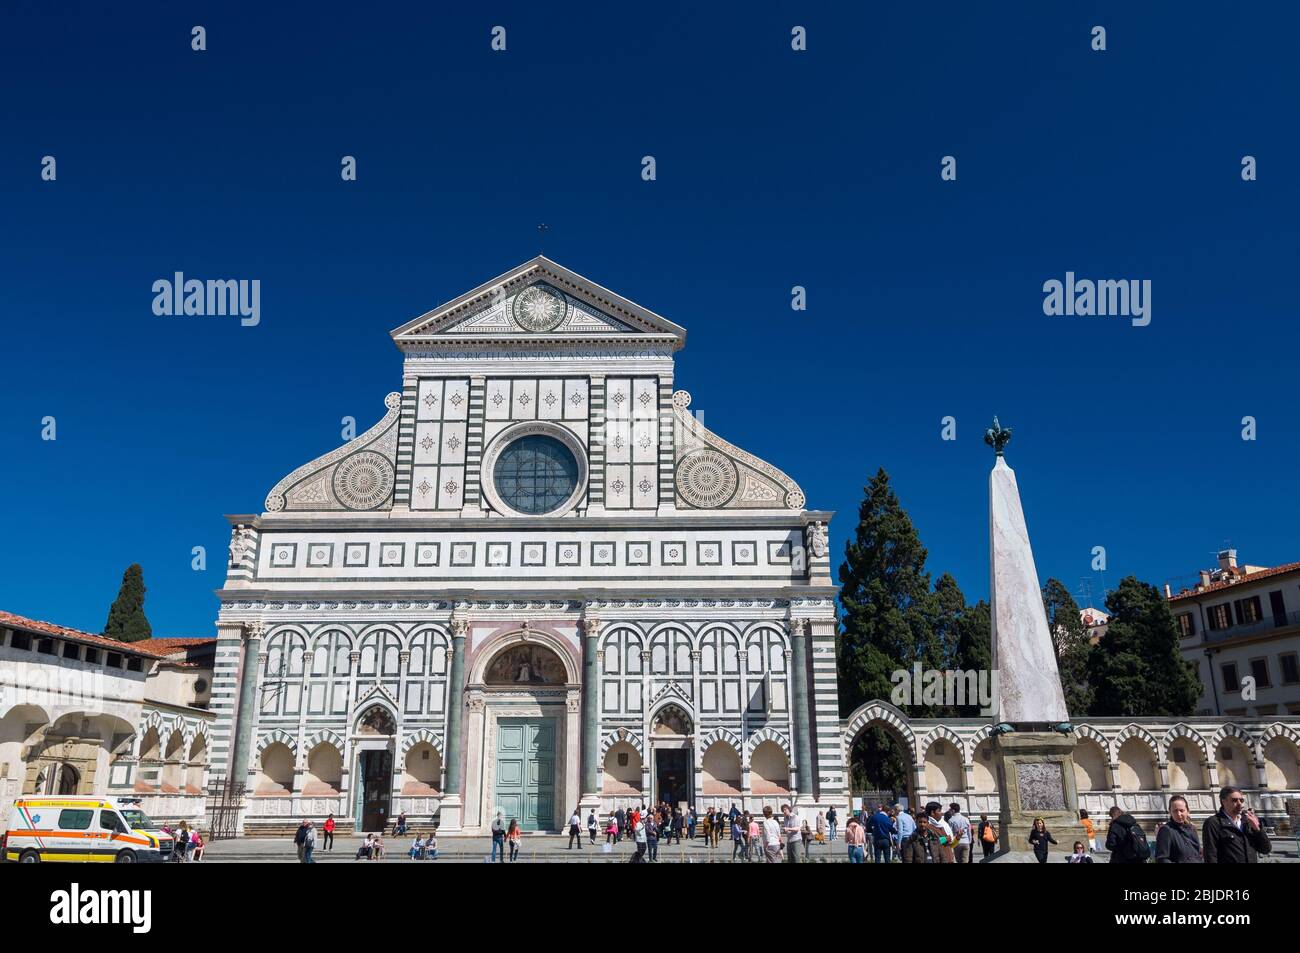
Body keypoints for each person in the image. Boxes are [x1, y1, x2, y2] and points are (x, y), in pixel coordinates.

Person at [1202, 785, 1271, 863]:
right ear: (1224, 801)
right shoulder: (1213, 823)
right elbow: (1210, 855)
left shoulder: (1248, 822)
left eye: (1241, 800)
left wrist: (1258, 830)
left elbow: (1266, 849)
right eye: (1234, 800)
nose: (1239, 804)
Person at [1155, 795, 1203, 863]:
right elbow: (1162, 858)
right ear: (1170, 812)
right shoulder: (1166, 830)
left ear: (1188, 811)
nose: (1179, 814)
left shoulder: (1192, 829)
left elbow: (1197, 853)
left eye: (1181, 810)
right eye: (1175, 811)